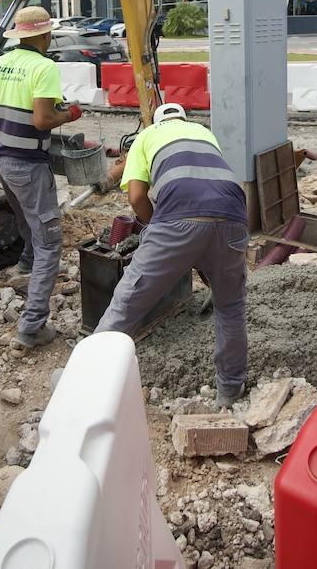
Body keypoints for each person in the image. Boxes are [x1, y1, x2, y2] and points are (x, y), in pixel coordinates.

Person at [96, 103, 250, 407]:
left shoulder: (146, 136)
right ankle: (230, 392)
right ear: (183, 119)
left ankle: (88, 378)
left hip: (177, 216)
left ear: (154, 122)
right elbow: (208, 196)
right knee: (230, 308)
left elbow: (137, 197)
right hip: (233, 215)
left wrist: (158, 233)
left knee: (127, 303)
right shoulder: (204, 134)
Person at [0, 5, 82, 349]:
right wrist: (68, 114)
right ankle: (32, 326)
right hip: (26, 162)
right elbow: (42, 120)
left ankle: (26, 264)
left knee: (27, 219)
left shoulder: (0, 63)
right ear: (44, 34)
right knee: (50, 242)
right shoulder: (44, 67)